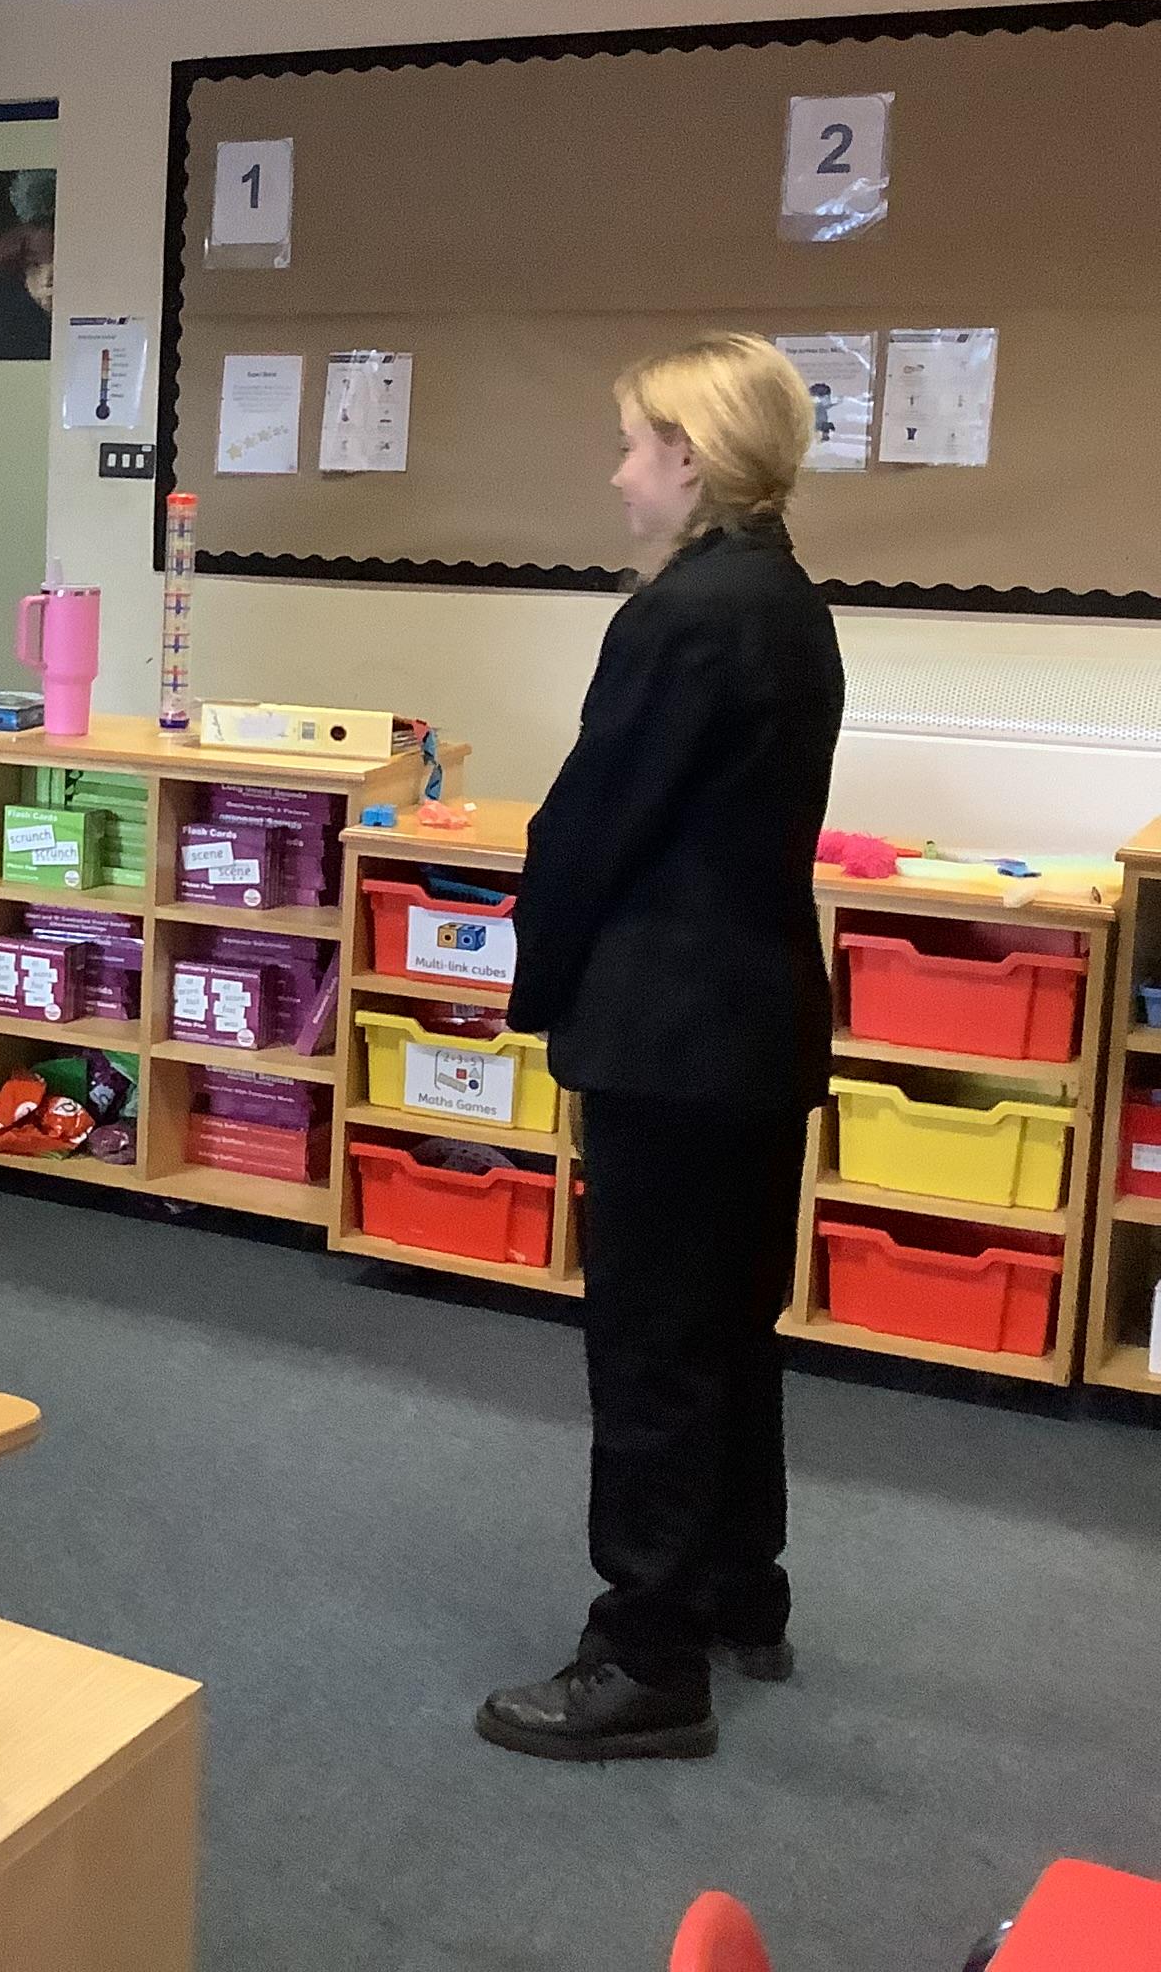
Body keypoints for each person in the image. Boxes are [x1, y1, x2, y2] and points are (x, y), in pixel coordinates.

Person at [486, 332, 842, 1764]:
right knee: (730, 1326)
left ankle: (646, 1657)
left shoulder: (682, 615)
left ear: (690, 456)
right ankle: (738, 1590)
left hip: (668, 1032)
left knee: (651, 1346)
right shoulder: (789, 599)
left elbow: (591, 827)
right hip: (754, 1023)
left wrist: (536, 978)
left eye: (634, 445)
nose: (619, 472)